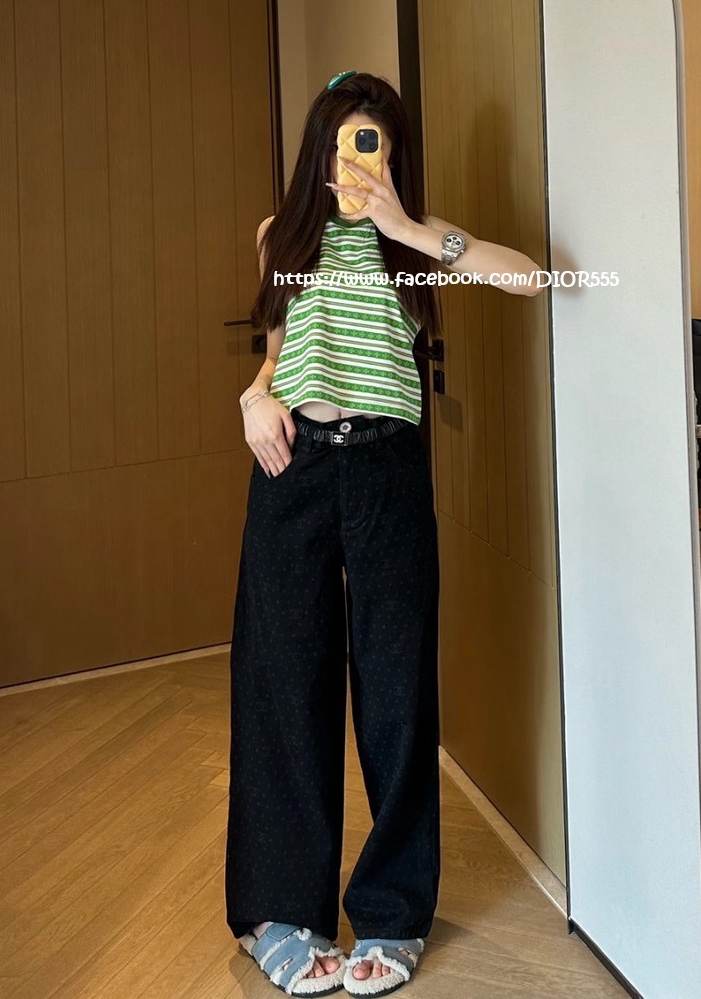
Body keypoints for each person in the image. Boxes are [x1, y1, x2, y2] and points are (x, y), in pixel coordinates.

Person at [224, 70, 543, 994]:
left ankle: (394, 911)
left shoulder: (416, 243)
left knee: (396, 689)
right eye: (340, 144)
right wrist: (251, 398)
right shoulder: (280, 238)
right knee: (284, 681)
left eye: (371, 144)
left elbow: (530, 278)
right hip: (292, 464)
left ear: (394, 154)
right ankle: (280, 911)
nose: (353, 162)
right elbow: (276, 354)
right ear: (316, 153)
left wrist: (408, 225)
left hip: (387, 469)